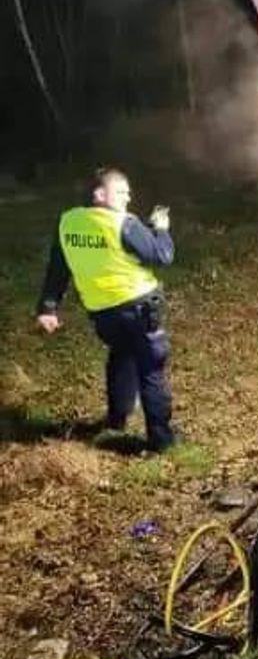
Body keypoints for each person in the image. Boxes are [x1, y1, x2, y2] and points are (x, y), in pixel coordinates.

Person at [36, 167, 177, 452]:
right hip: (139, 309)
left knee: (121, 355)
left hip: (103, 314)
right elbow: (162, 256)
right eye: (122, 192)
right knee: (151, 368)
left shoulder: (69, 222)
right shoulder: (122, 223)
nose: (128, 198)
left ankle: (117, 419)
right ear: (100, 194)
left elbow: (58, 269)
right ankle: (162, 440)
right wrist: (161, 230)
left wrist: (48, 307)